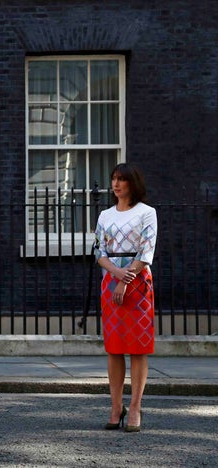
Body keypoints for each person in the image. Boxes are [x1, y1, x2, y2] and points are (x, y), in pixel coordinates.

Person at [94, 162, 157, 433]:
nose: (116, 184)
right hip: (111, 282)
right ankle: (116, 406)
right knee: (114, 347)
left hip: (139, 282)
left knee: (138, 347)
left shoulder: (147, 212)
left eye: (122, 179)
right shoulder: (105, 215)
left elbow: (146, 251)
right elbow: (99, 253)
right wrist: (117, 275)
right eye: (114, 179)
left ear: (133, 183)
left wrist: (125, 278)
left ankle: (135, 408)